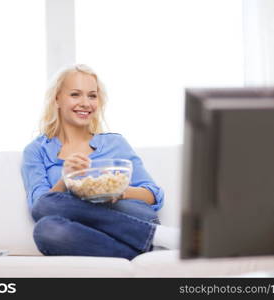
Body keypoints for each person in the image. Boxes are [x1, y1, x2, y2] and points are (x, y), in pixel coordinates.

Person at [21, 64, 178, 260]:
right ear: (57, 98)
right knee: (46, 230)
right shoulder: (36, 151)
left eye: (92, 96)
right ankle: (149, 246)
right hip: (88, 232)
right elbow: (40, 206)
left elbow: (154, 194)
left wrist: (119, 192)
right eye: (75, 94)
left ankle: (156, 235)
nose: (85, 103)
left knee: (51, 211)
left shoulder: (115, 143)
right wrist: (65, 179)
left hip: (128, 213)